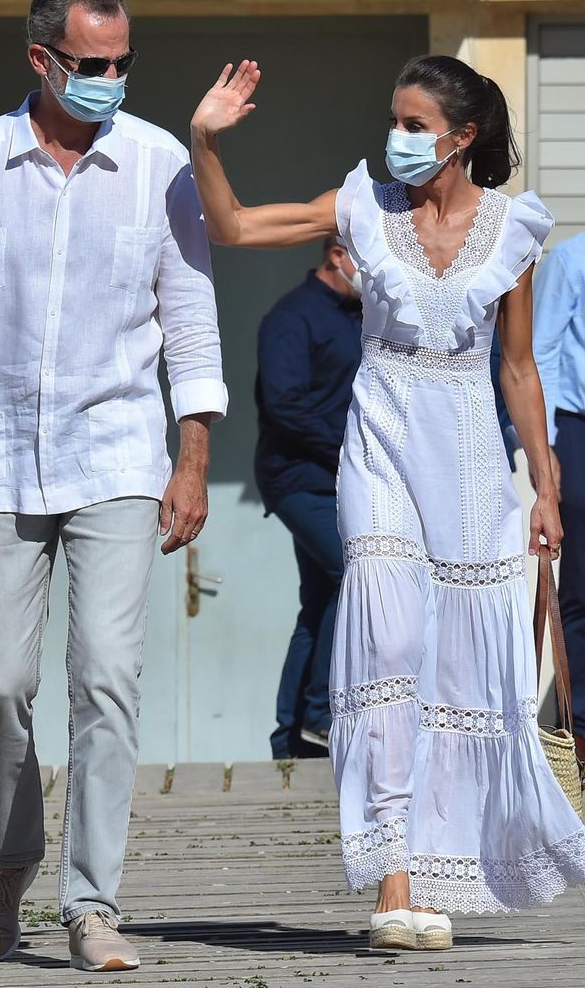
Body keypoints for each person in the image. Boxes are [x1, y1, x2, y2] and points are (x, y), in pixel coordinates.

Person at [189, 53, 585, 951]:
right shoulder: (362, 208)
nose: (396, 139)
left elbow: (520, 369)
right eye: (394, 121)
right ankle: (393, 875)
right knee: (390, 640)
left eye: (414, 125)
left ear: (461, 137)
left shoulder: (515, 231)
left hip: (474, 460)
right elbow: (234, 226)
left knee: (455, 665)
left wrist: (546, 490)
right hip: (381, 446)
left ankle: (438, 872)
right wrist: (204, 140)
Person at [0, 0, 228, 973]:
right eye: (93, 65)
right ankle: (7, 866)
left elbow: (193, 326)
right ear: (42, 60)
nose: (112, 80)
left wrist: (192, 458)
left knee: (107, 678)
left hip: (117, 455)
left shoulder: (161, 165)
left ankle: (93, 903)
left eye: (124, 64)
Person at [255, 239, 362, 758]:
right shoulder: (291, 318)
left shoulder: (360, 315)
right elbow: (284, 404)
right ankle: (322, 714)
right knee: (353, 572)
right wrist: (347, 445)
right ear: (338, 254)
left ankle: (291, 736)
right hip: (298, 478)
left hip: (344, 479)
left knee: (320, 601)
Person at [533, 231, 585, 767]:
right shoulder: (572, 259)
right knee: (582, 588)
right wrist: (545, 449)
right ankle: (579, 739)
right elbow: (539, 351)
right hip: (578, 429)